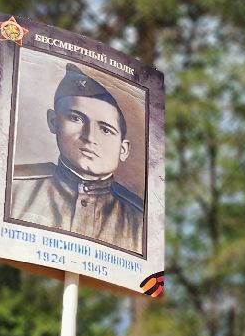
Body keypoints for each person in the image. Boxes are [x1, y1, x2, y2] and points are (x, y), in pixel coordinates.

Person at [8, 63, 145, 254]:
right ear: (54, 121)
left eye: (105, 129)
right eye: (76, 118)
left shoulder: (140, 219)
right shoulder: (12, 187)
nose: (89, 137)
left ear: (124, 149)